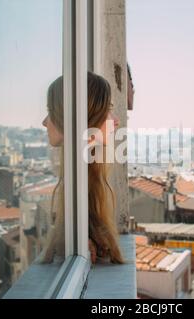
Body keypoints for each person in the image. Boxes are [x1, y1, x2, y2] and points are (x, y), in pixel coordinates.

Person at [40, 71, 124, 264]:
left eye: (49, 111)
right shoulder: (82, 175)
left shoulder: (84, 175)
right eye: (109, 109)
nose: (44, 122)